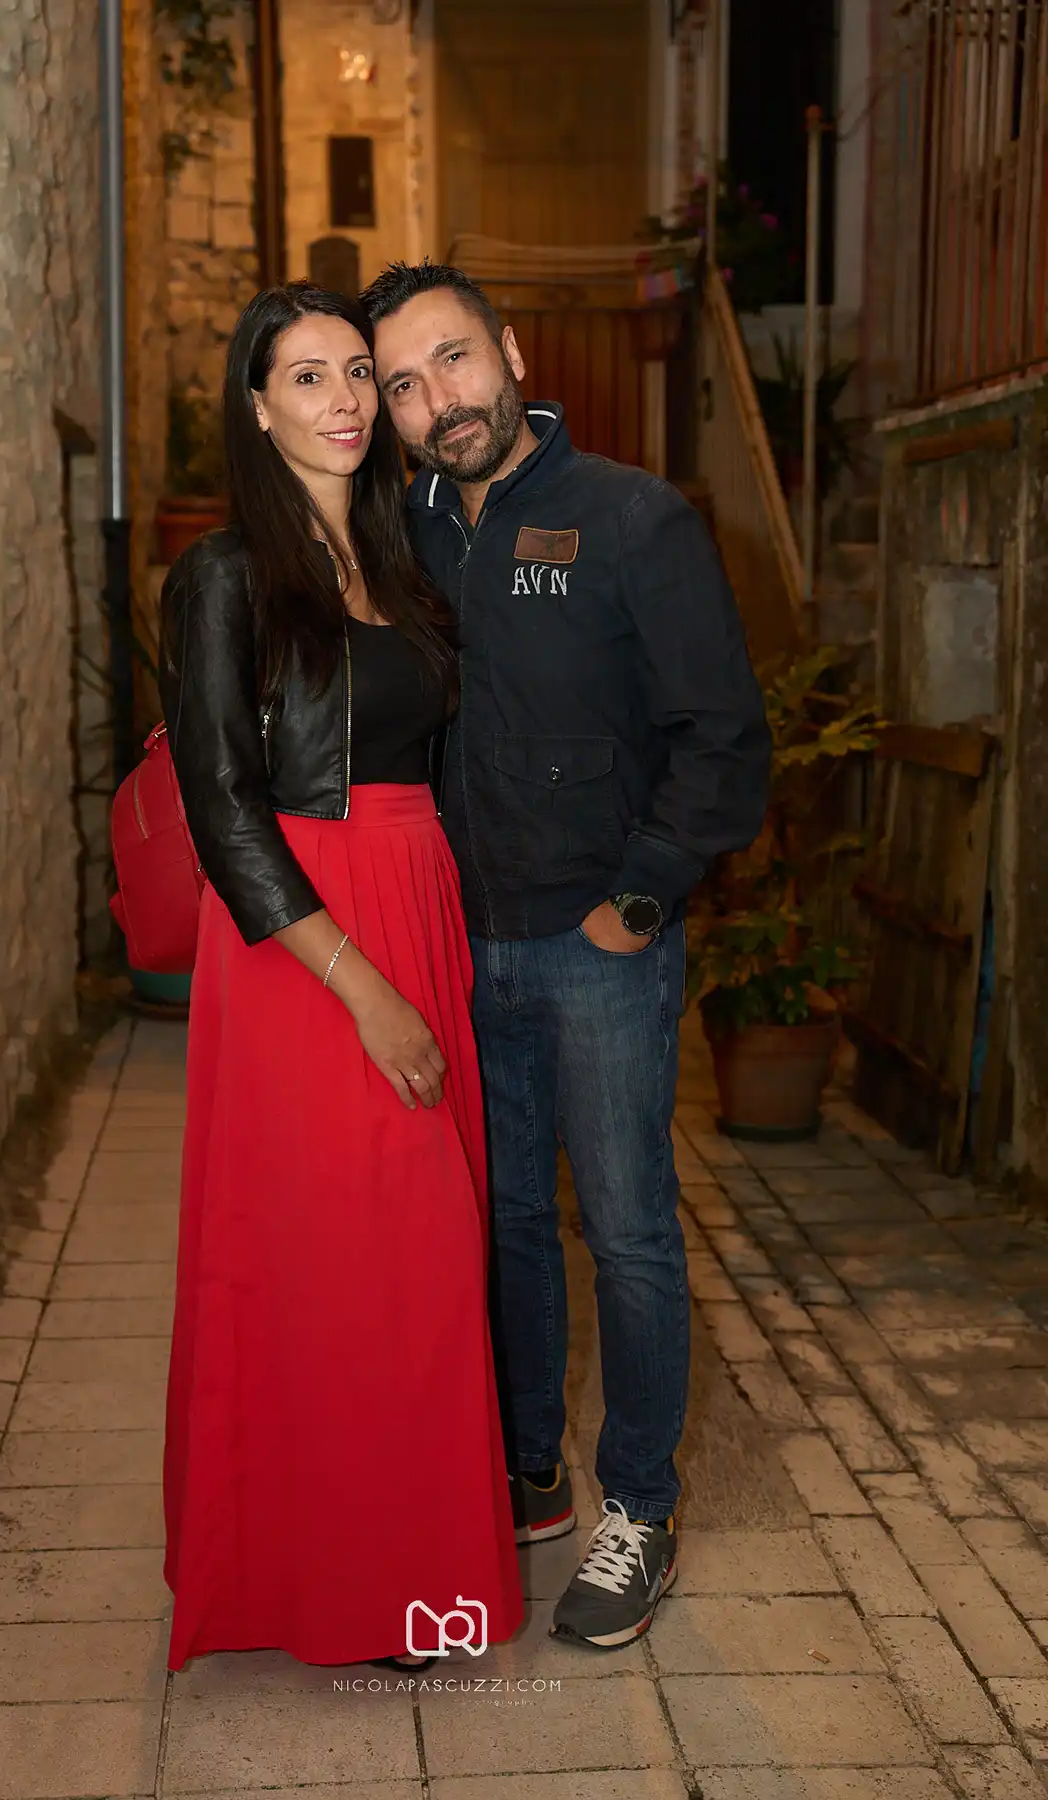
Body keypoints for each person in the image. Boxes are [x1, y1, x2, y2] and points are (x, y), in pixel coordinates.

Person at [362, 260, 771, 1651]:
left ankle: (639, 1507)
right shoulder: (404, 535)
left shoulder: (632, 518)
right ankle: (527, 1468)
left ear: (512, 353)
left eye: (453, 358)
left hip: (601, 949)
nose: (437, 400)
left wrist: (640, 900)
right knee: (504, 1224)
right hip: (459, 948)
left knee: (630, 1230)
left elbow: (725, 738)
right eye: (403, 383)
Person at [157, 281, 523, 1673]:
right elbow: (222, 806)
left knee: (417, 1264)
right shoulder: (225, 573)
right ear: (257, 408)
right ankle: (336, 1585)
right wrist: (363, 988)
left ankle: (408, 1573)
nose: (347, 401)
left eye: (359, 372)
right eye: (307, 377)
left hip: (414, 899)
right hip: (308, 940)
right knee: (338, 1262)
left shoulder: (400, 555)